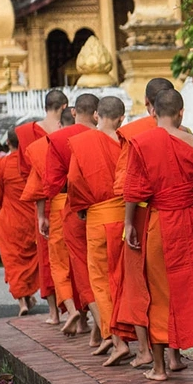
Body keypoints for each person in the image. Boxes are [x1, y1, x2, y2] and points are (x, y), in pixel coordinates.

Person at [123, 88, 193, 384]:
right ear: (181, 113)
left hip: (158, 223)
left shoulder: (140, 143)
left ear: (153, 111)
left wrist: (130, 223)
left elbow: (135, 189)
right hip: (190, 222)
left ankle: (160, 367)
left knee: (157, 293)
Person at [112, 77, 184, 371]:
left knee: (140, 286)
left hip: (142, 215)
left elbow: (129, 183)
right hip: (177, 215)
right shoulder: (185, 133)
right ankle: (175, 355)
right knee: (174, 284)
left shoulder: (133, 135)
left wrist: (129, 222)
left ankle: (144, 351)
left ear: (147, 104)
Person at [67, 96, 133, 366]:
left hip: (97, 217)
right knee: (125, 279)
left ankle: (117, 340)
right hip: (125, 218)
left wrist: (81, 206)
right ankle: (135, 340)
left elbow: (73, 180)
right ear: (122, 118)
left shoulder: (83, 143)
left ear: (96, 115)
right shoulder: (127, 142)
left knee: (101, 281)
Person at [43, 94, 100, 340]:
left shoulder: (56, 139)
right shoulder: (107, 138)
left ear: (74, 111)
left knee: (71, 265)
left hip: (69, 207)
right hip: (104, 208)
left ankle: (79, 313)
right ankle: (100, 323)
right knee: (100, 267)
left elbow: (50, 184)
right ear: (97, 114)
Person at [17, 91, 69, 325]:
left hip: (43, 200)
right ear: (66, 107)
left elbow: (25, 172)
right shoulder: (69, 131)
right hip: (70, 198)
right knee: (73, 256)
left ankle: (54, 314)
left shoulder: (27, 133)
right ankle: (79, 314)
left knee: (47, 257)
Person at [0, 129, 39, 316]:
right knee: (30, 259)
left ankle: (22, 301)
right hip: (31, 217)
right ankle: (28, 296)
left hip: (11, 219)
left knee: (13, 261)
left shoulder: (1, 164)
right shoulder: (32, 162)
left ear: (8, 143)